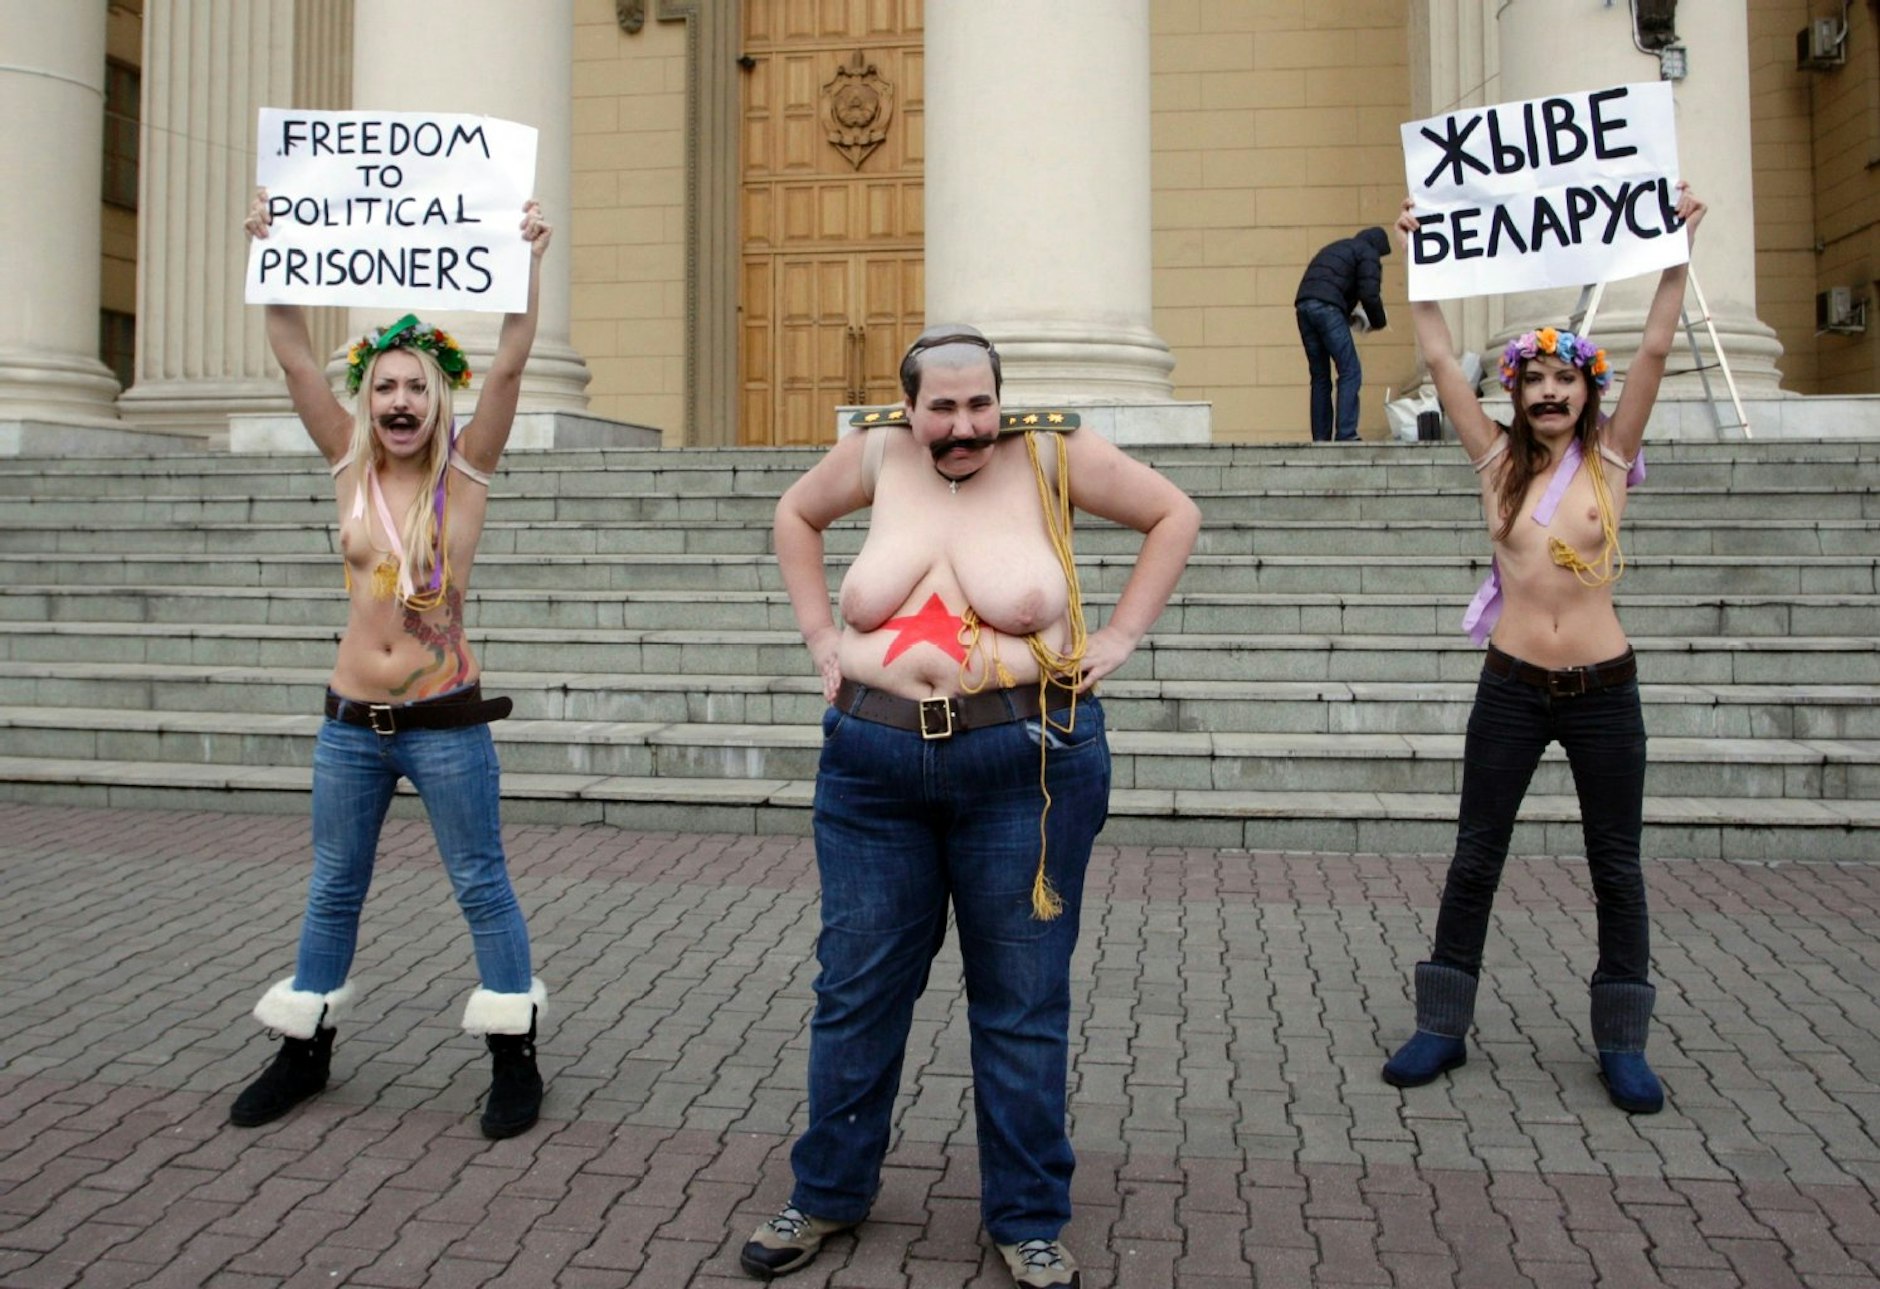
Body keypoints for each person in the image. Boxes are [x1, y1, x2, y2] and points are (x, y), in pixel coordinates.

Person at [741, 326, 1199, 1286]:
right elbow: (794, 514)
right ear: (909, 406)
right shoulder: (876, 452)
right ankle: (827, 1191)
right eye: (942, 408)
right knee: (856, 988)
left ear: (1001, 396)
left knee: (1021, 1000)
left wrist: (1120, 635)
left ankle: (1027, 1217)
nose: (964, 427)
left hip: (1024, 766)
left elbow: (1173, 513)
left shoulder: (1051, 451)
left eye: (979, 403)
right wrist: (821, 637)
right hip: (872, 769)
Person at [229, 190, 553, 1139]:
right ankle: (305, 1050)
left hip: (444, 721)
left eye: (416, 387)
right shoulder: (347, 461)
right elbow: (294, 355)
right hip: (350, 725)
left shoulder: (466, 471)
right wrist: (273, 254)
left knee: (481, 882)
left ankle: (514, 1056)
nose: (400, 401)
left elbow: (512, 360)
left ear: (437, 397)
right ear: (366, 398)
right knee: (334, 883)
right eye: (385, 387)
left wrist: (527, 261)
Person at [1380, 184, 1708, 1115]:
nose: (1552, 391)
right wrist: (1420, 257)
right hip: (1513, 686)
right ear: (1516, 393)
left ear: (1587, 390)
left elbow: (1655, 348)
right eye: (1535, 379)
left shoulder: (1611, 459)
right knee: (1477, 853)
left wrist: (1675, 252)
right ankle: (1442, 1025)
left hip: (1605, 689)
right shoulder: (1494, 462)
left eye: (1567, 378)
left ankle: (1623, 1042)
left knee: (1617, 864)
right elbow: (1437, 355)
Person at [1295, 226, 1391, 442]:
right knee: (1350, 371)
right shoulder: (1368, 252)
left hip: (1303, 306)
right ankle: (1346, 434)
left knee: (1320, 376)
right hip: (1327, 308)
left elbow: (1332, 284)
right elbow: (1370, 294)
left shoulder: (1340, 248)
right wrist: (1379, 322)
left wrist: (1348, 316)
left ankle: (1321, 439)